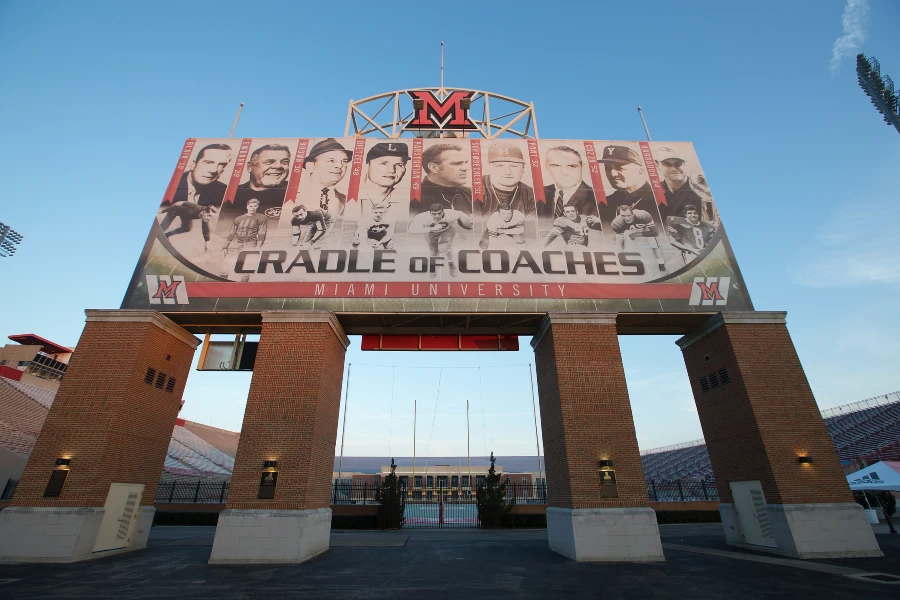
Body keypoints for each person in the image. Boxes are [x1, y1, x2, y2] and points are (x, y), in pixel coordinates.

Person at [596, 145, 664, 240]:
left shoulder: (660, 200)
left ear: (640, 171)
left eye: (620, 168)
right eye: (608, 168)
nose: (612, 174)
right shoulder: (605, 203)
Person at [220, 144, 292, 232]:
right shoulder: (228, 195)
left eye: (285, 162)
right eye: (269, 162)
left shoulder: (297, 192)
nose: (278, 166)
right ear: (250, 167)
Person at [408, 203, 473, 278]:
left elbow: (460, 213)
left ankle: (451, 264)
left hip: (446, 230)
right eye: (434, 214)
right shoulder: (423, 217)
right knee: (433, 251)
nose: (437, 216)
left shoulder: (451, 214)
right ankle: (433, 266)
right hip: (431, 233)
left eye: (439, 213)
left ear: (443, 212)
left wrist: (469, 220)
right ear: (430, 213)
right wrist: (432, 229)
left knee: (443, 248)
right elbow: (411, 230)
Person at [538, 146, 598, 223]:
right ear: (546, 166)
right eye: (556, 166)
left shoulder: (596, 198)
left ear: (582, 167)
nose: (564, 172)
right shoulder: (538, 194)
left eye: (572, 166)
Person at [410, 143, 472, 216]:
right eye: (457, 164)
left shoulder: (472, 194)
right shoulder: (412, 199)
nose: (465, 168)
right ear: (434, 168)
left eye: (465, 163)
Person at [476, 142, 535, 218]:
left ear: (523, 168)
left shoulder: (532, 195)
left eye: (514, 166)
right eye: (500, 166)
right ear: (489, 167)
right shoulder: (474, 188)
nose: (507, 172)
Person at [352, 142, 410, 218]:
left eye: (399, 165)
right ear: (367, 166)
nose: (391, 170)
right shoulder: (348, 195)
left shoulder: (406, 201)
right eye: (384, 163)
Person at [166, 143, 232, 206]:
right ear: (193, 164)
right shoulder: (170, 185)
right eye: (208, 163)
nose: (213, 170)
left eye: (222, 165)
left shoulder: (224, 192)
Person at [300, 138, 353, 217]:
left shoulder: (350, 201)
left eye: (344, 161)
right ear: (310, 166)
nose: (339, 165)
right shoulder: (291, 196)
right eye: (331, 161)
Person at [610, 204, 667, 274]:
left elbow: (655, 233)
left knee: (654, 243)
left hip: (643, 227)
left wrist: (637, 234)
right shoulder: (616, 224)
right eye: (623, 216)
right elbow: (619, 244)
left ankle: (662, 266)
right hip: (629, 229)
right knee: (628, 246)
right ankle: (625, 264)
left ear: (633, 214)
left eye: (628, 215)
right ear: (619, 215)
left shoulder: (644, 216)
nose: (626, 218)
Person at [654, 146, 704, 224]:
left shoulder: (701, 192)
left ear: (685, 164)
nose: (674, 169)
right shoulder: (654, 192)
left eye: (678, 163)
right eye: (667, 164)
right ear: (657, 165)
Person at [220, 199, 268, 280]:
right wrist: (225, 247)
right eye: (251, 206)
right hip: (235, 243)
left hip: (250, 244)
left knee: (246, 268)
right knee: (225, 266)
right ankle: (222, 284)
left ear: (257, 206)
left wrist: (258, 247)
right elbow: (232, 233)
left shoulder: (262, 218)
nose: (253, 208)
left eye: (255, 206)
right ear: (247, 206)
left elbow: (262, 233)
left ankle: (243, 286)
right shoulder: (239, 218)